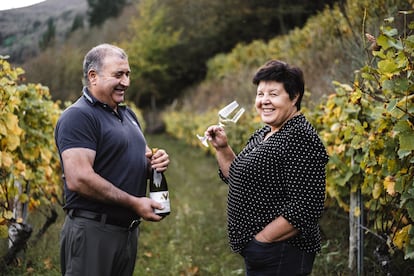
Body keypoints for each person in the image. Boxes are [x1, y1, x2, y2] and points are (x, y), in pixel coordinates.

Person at [54, 43, 170, 276]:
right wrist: (134, 203)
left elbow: (140, 159)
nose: (126, 82)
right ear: (93, 76)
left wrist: (155, 162)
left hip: (126, 232)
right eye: (118, 75)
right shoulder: (79, 116)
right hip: (93, 231)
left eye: (127, 74)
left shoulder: (127, 114)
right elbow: (79, 179)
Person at [205, 60, 329, 275]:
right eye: (260, 94)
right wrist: (223, 148)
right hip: (266, 252)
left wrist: (263, 241)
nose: (264, 101)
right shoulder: (266, 132)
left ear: (295, 96)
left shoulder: (299, 137)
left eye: (273, 94)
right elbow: (236, 176)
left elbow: (307, 206)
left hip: (282, 252)